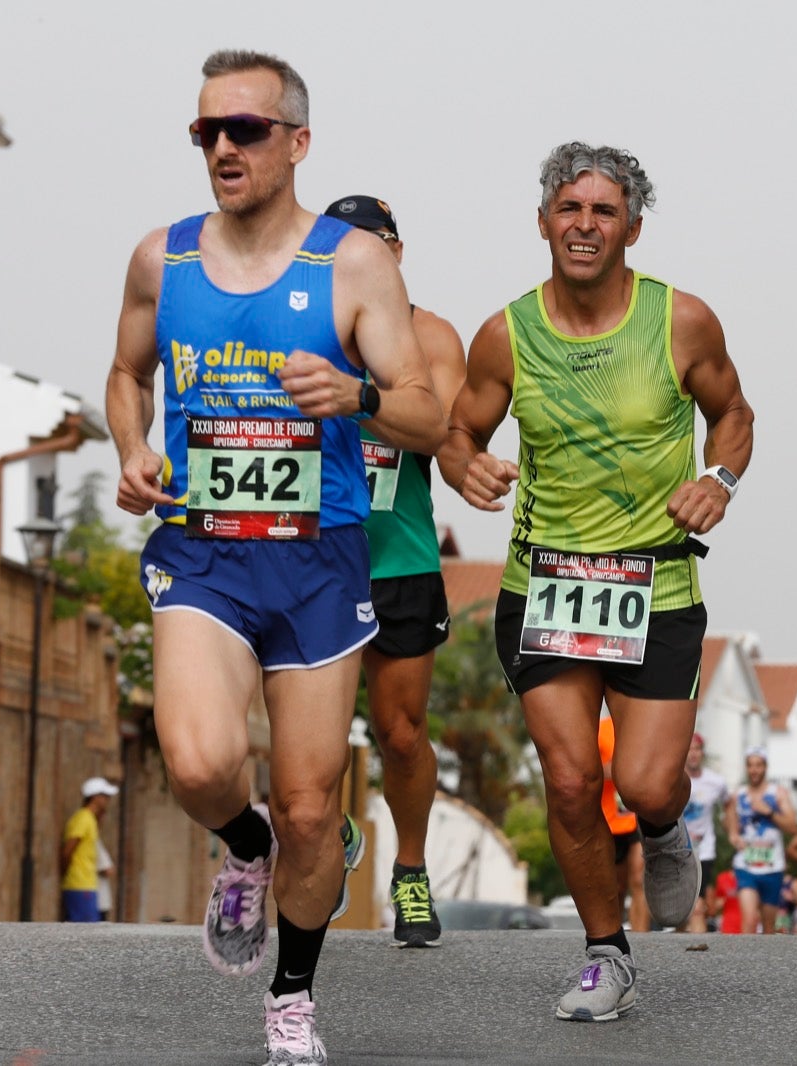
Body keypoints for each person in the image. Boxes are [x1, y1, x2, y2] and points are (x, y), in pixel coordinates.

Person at [106, 50, 446, 1065]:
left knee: (310, 811)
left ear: (296, 143)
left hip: (318, 562)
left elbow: (427, 414)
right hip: (203, 552)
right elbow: (126, 373)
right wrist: (132, 447)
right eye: (206, 131)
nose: (223, 147)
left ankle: (292, 996)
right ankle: (241, 845)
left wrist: (358, 397)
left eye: (244, 129)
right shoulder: (160, 260)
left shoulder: (353, 264)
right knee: (199, 761)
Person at [438, 141, 754, 1021]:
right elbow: (460, 433)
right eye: (569, 209)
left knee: (645, 782)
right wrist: (465, 469)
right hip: (546, 584)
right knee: (573, 779)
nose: (584, 225)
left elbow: (733, 413)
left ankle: (663, 824)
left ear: (632, 228)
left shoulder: (681, 321)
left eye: (603, 211)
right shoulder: (505, 334)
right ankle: (606, 953)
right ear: (543, 222)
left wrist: (719, 479)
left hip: (656, 587)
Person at [322, 193, 467, 948]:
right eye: (339, 243)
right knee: (307, 735)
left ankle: (409, 869)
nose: (357, 256)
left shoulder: (430, 335)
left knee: (400, 734)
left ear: (396, 252)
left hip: (401, 557)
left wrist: (353, 396)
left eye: (372, 244)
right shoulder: (300, 323)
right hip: (316, 554)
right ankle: (331, 830)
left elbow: (440, 429)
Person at [723, 748, 797, 934]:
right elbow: (729, 819)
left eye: (758, 765)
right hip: (745, 866)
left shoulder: (778, 793)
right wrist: (733, 836)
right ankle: (746, 955)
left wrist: (769, 812)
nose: (754, 770)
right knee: (749, 921)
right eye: (750, 765)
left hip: (772, 867)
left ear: (765, 767)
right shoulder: (738, 795)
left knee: (768, 928)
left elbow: (792, 826)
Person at [599, 712, 651, 932]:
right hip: (610, 820)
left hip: (637, 816)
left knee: (639, 879)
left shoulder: (642, 726)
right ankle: (614, 934)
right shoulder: (600, 729)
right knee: (616, 887)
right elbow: (590, 768)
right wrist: (620, 769)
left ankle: (641, 937)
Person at [680, 732, 728, 932]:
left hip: (703, 851)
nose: (693, 754)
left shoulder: (716, 782)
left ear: (703, 753)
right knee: (680, 910)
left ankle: (698, 948)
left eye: (697, 749)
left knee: (697, 907)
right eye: (689, 749)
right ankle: (677, 943)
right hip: (676, 850)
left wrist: (731, 829)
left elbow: (729, 803)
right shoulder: (672, 778)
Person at [61, 777, 117, 923]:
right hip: (80, 884)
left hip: (88, 884)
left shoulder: (90, 819)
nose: (107, 800)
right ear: (95, 797)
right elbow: (68, 850)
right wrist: (69, 873)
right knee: (84, 929)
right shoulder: (83, 818)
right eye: (105, 796)